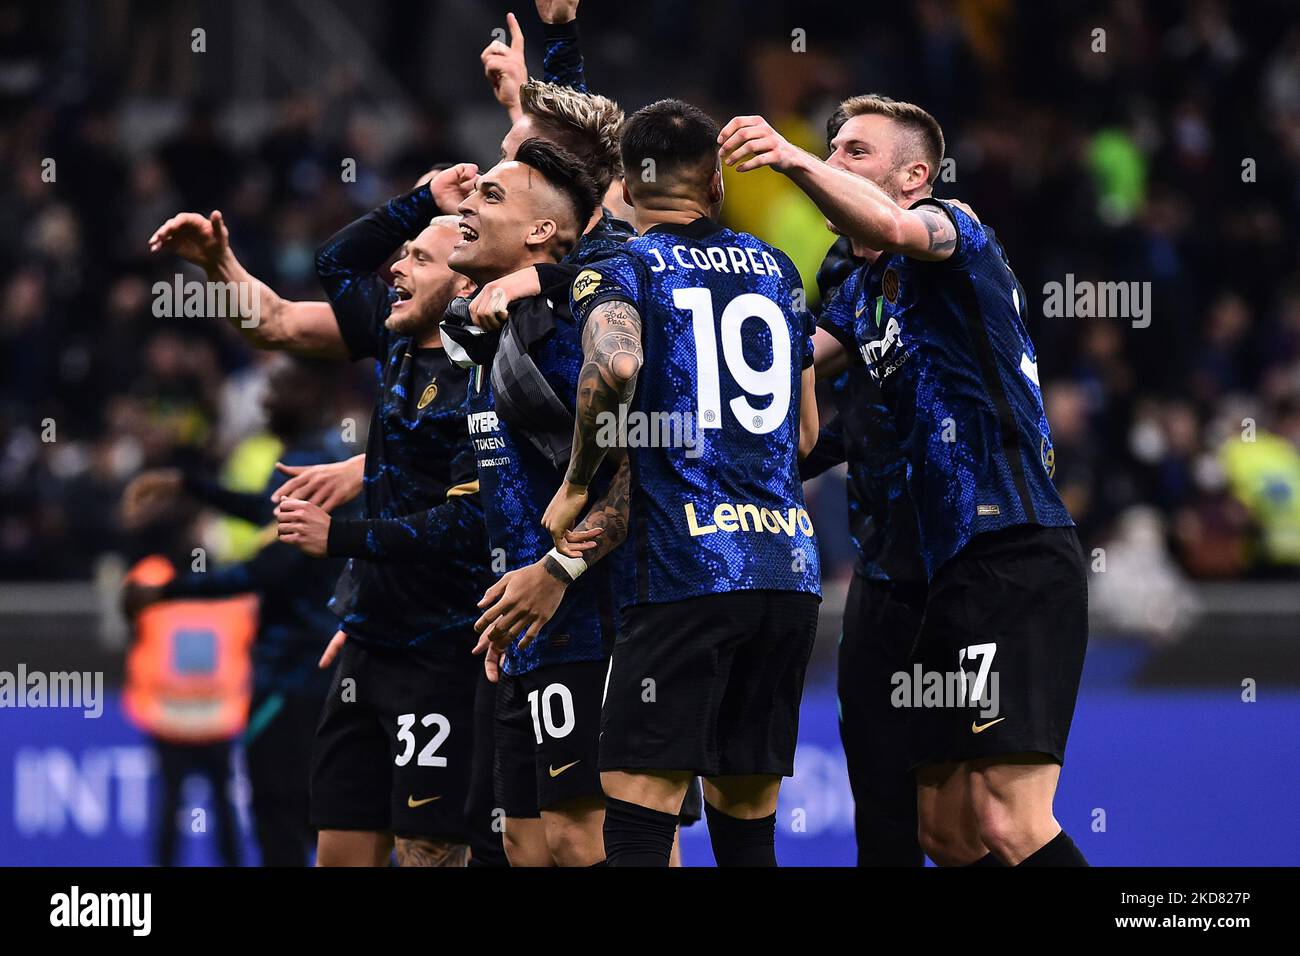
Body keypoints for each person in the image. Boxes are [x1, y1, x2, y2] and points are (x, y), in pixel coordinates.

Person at [720, 95, 1089, 866]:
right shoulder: (854, 289)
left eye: (854, 152)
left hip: (1007, 552)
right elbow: (779, 379)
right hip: (921, 580)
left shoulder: (957, 232)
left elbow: (891, 227)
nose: (833, 161)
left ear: (914, 175)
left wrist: (789, 158)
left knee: (1010, 822)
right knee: (944, 835)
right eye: (831, 148)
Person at [148, 164, 499, 867]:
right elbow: (282, 311)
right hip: (367, 640)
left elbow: (463, 526)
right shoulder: (396, 333)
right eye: (401, 256)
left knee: (430, 851)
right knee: (338, 848)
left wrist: (338, 534)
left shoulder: (487, 376)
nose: (396, 267)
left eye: (418, 259)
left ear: (463, 281)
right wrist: (222, 263)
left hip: (445, 647)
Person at [511, 99, 822, 866]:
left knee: (639, 809)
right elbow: (808, 434)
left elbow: (615, 365)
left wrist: (579, 482)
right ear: (715, 185)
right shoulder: (777, 270)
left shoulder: (621, 267)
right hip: (787, 572)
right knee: (747, 822)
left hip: (685, 571)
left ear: (626, 182)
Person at [447, 138, 612, 866]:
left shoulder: (578, 330)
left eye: (489, 196)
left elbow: (650, 469)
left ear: (544, 232)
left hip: (596, 623)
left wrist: (557, 571)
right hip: (526, 633)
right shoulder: (496, 335)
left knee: (595, 838)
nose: (465, 206)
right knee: (527, 843)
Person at [121, 355, 352, 866]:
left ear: (313, 395)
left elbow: (268, 570)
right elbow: (264, 511)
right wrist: (190, 486)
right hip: (320, 672)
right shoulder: (325, 458)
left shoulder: (317, 461)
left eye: (282, 388)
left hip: (295, 676)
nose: (266, 400)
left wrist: (166, 593)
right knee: (318, 813)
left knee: (282, 811)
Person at [800, 234, 927, 867]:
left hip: (967, 575)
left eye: (857, 150)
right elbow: (815, 439)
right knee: (882, 813)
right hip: (880, 582)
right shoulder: (844, 278)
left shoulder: (946, 253)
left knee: (987, 825)